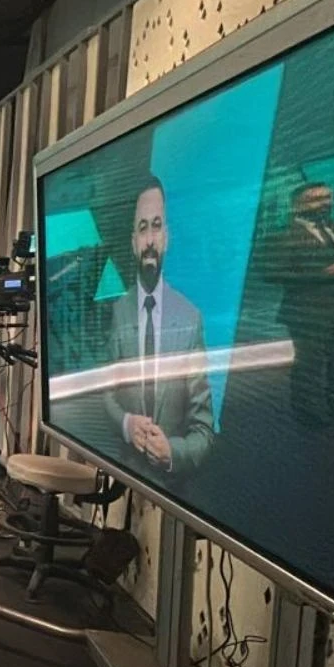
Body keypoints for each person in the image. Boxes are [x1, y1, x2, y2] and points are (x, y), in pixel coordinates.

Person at [103, 176, 215, 479]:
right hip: (122, 473)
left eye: (156, 226)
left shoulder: (190, 319)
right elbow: (106, 395)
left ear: (167, 237)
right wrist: (126, 424)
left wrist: (172, 453)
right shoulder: (119, 311)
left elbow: (204, 432)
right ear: (133, 242)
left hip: (170, 488)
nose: (150, 240)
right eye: (143, 228)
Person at [265, 182, 334, 427]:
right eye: (317, 199)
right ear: (297, 205)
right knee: (310, 363)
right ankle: (309, 414)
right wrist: (325, 273)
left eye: (328, 198)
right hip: (305, 310)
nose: (325, 204)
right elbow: (271, 274)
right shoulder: (282, 236)